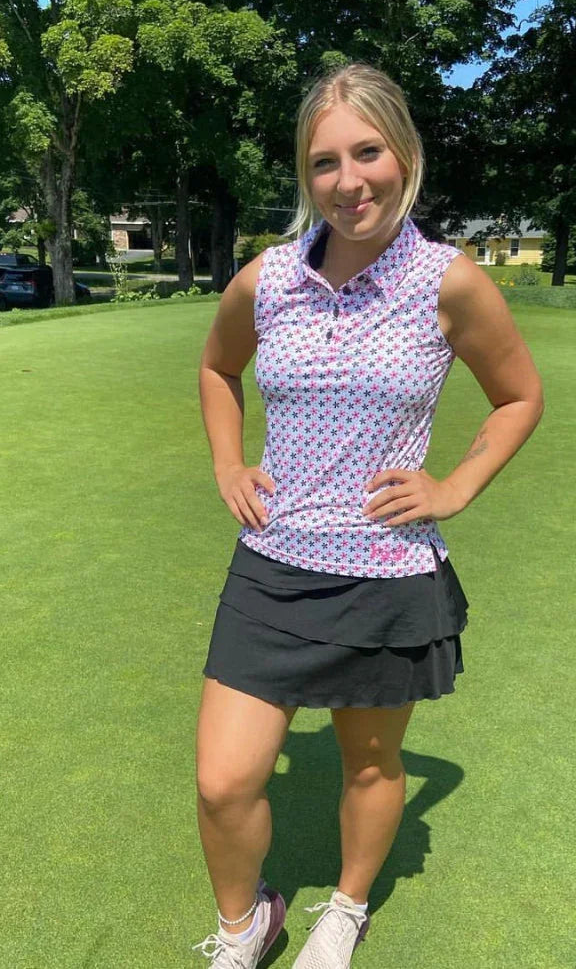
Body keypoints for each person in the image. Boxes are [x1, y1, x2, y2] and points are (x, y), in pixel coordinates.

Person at [194, 62, 544, 969]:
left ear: (405, 155)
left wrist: (454, 488)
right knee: (225, 780)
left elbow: (517, 397)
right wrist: (231, 461)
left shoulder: (448, 281)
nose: (348, 182)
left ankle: (345, 909)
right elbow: (217, 369)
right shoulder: (267, 280)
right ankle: (245, 926)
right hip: (272, 564)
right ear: (304, 175)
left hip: (386, 570)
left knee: (372, 767)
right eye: (324, 162)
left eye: (367, 153)